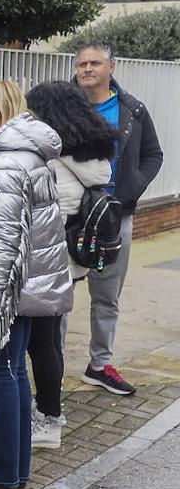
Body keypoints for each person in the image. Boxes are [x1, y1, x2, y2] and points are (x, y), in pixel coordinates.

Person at [0, 81, 71, 489]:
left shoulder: (3, 162)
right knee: (15, 374)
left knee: (3, 375)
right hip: (30, 286)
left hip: (9, 292)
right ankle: (15, 466)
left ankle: (0, 470)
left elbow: (2, 239)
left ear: (2, 116)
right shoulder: (29, 155)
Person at [24, 81, 116, 449]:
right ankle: (49, 410)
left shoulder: (56, 158)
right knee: (49, 341)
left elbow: (49, 216)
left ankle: (48, 419)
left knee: (42, 343)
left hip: (49, 262)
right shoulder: (90, 154)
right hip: (69, 264)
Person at [72, 42, 164, 396]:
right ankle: (53, 365)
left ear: (112, 66)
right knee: (60, 294)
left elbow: (153, 155)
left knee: (106, 294)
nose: (87, 69)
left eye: (95, 63)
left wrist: (131, 189)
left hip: (115, 215)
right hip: (72, 215)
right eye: (82, 64)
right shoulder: (63, 104)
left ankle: (100, 364)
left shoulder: (132, 110)